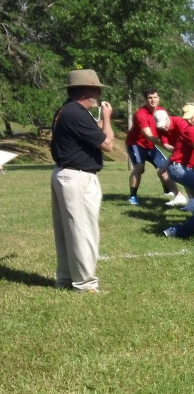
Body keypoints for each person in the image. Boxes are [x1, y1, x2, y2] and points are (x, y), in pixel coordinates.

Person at [50, 69, 115, 294]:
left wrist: (99, 121)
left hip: (66, 174)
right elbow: (107, 144)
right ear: (86, 90)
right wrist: (107, 118)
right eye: (96, 88)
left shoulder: (67, 111)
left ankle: (66, 279)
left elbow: (90, 132)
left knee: (67, 231)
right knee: (82, 231)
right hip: (77, 177)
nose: (98, 93)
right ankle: (85, 284)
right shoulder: (76, 113)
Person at [125, 87, 179, 205]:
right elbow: (148, 135)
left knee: (164, 167)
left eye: (155, 97)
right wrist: (166, 146)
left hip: (151, 145)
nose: (153, 100)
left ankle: (172, 193)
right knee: (139, 167)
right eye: (149, 98)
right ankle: (132, 196)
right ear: (145, 100)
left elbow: (166, 130)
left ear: (158, 98)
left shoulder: (161, 111)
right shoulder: (141, 114)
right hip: (136, 144)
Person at [156, 104, 194, 209]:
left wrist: (190, 163)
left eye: (191, 117)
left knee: (189, 176)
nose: (163, 127)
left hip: (190, 152)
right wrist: (177, 151)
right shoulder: (161, 128)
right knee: (164, 172)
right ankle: (184, 199)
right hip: (179, 154)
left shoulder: (180, 123)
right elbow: (165, 144)